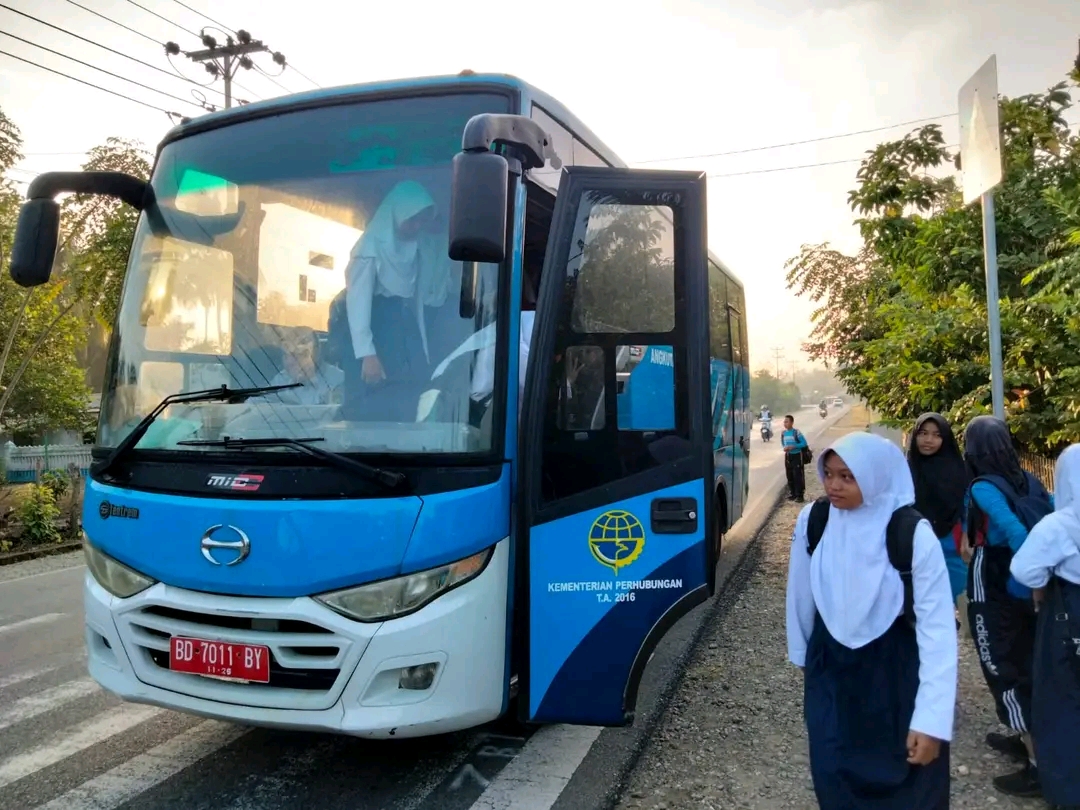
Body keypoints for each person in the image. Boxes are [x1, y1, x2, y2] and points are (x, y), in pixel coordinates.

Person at [786, 432, 956, 809]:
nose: (833, 485)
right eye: (828, 473)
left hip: (896, 672)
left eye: (848, 476)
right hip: (832, 668)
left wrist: (931, 720)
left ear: (876, 476)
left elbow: (938, 631)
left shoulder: (911, 534)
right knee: (834, 775)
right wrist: (804, 659)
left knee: (910, 784)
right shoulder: (815, 520)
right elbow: (800, 594)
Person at [963, 415, 1053, 798]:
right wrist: (1043, 576)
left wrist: (1033, 573)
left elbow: (1015, 533)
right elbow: (1050, 521)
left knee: (999, 661)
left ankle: (1037, 766)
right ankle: (1031, 739)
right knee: (1030, 659)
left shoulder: (983, 487)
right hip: (1031, 585)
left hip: (997, 576)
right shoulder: (1030, 480)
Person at [338, 180, 460, 421]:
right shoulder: (368, 248)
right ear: (397, 213)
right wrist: (368, 355)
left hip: (405, 332)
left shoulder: (416, 248)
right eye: (412, 219)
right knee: (373, 404)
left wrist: (422, 348)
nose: (416, 226)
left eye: (421, 221)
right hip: (378, 333)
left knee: (409, 397)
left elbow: (418, 301)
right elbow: (358, 304)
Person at [1010, 444, 1080, 810]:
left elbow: (1025, 570)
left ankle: (1069, 793)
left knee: (1062, 704)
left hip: (1068, 613)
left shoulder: (1061, 524)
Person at [908, 413, 970, 603]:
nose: (928, 440)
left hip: (951, 543)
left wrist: (967, 536)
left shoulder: (960, 470)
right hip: (914, 545)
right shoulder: (905, 470)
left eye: (936, 435)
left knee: (958, 596)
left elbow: (968, 506)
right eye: (923, 433)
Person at [269, 327, 343, 406]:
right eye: (286, 355)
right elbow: (259, 404)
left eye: (299, 355)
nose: (290, 362)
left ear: (315, 355)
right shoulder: (280, 380)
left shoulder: (337, 381)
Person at [781, 414, 809, 502]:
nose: (785, 423)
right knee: (789, 475)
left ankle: (800, 495)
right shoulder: (783, 433)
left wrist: (794, 446)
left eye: (787, 422)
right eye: (784, 422)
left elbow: (804, 443)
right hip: (788, 456)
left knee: (797, 475)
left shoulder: (796, 432)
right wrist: (785, 448)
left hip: (797, 455)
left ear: (792, 423)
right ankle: (792, 493)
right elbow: (783, 443)